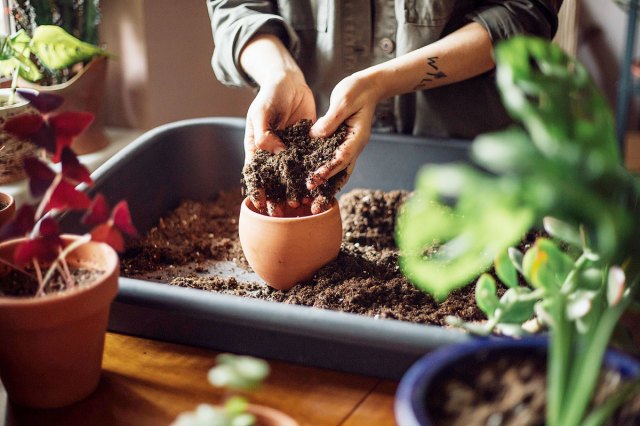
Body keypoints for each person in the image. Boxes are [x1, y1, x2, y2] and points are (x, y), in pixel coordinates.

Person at [207, 0, 562, 216]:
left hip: (473, 158)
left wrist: (381, 82)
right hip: (318, 124)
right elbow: (235, 6)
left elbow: (524, 12)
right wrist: (278, 72)